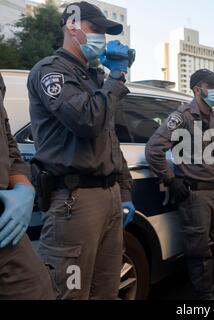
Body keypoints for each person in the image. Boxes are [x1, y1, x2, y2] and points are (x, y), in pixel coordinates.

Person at [27, 1, 135, 299]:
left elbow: (109, 140)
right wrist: (116, 78)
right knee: (70, 292)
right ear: (72, 27)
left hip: (109, 198)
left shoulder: (95, 78)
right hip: (75, 202)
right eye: (95, 29)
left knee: (106, 290)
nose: (101, 37)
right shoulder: (51, 71)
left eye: (105, 31)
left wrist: (124, 192)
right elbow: (87, 121)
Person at [146, 69, 214, 300]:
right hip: (195, 195)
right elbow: (153, 150)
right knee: (200, 254)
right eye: (210, 85)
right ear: (197, 89)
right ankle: (204, 298)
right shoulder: (183, 117)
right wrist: (170, 179)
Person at [0, 72, 55, 300]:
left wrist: (23, 187)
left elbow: (7, 141)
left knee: (36, 287)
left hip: (5, 219)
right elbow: (86, 122)